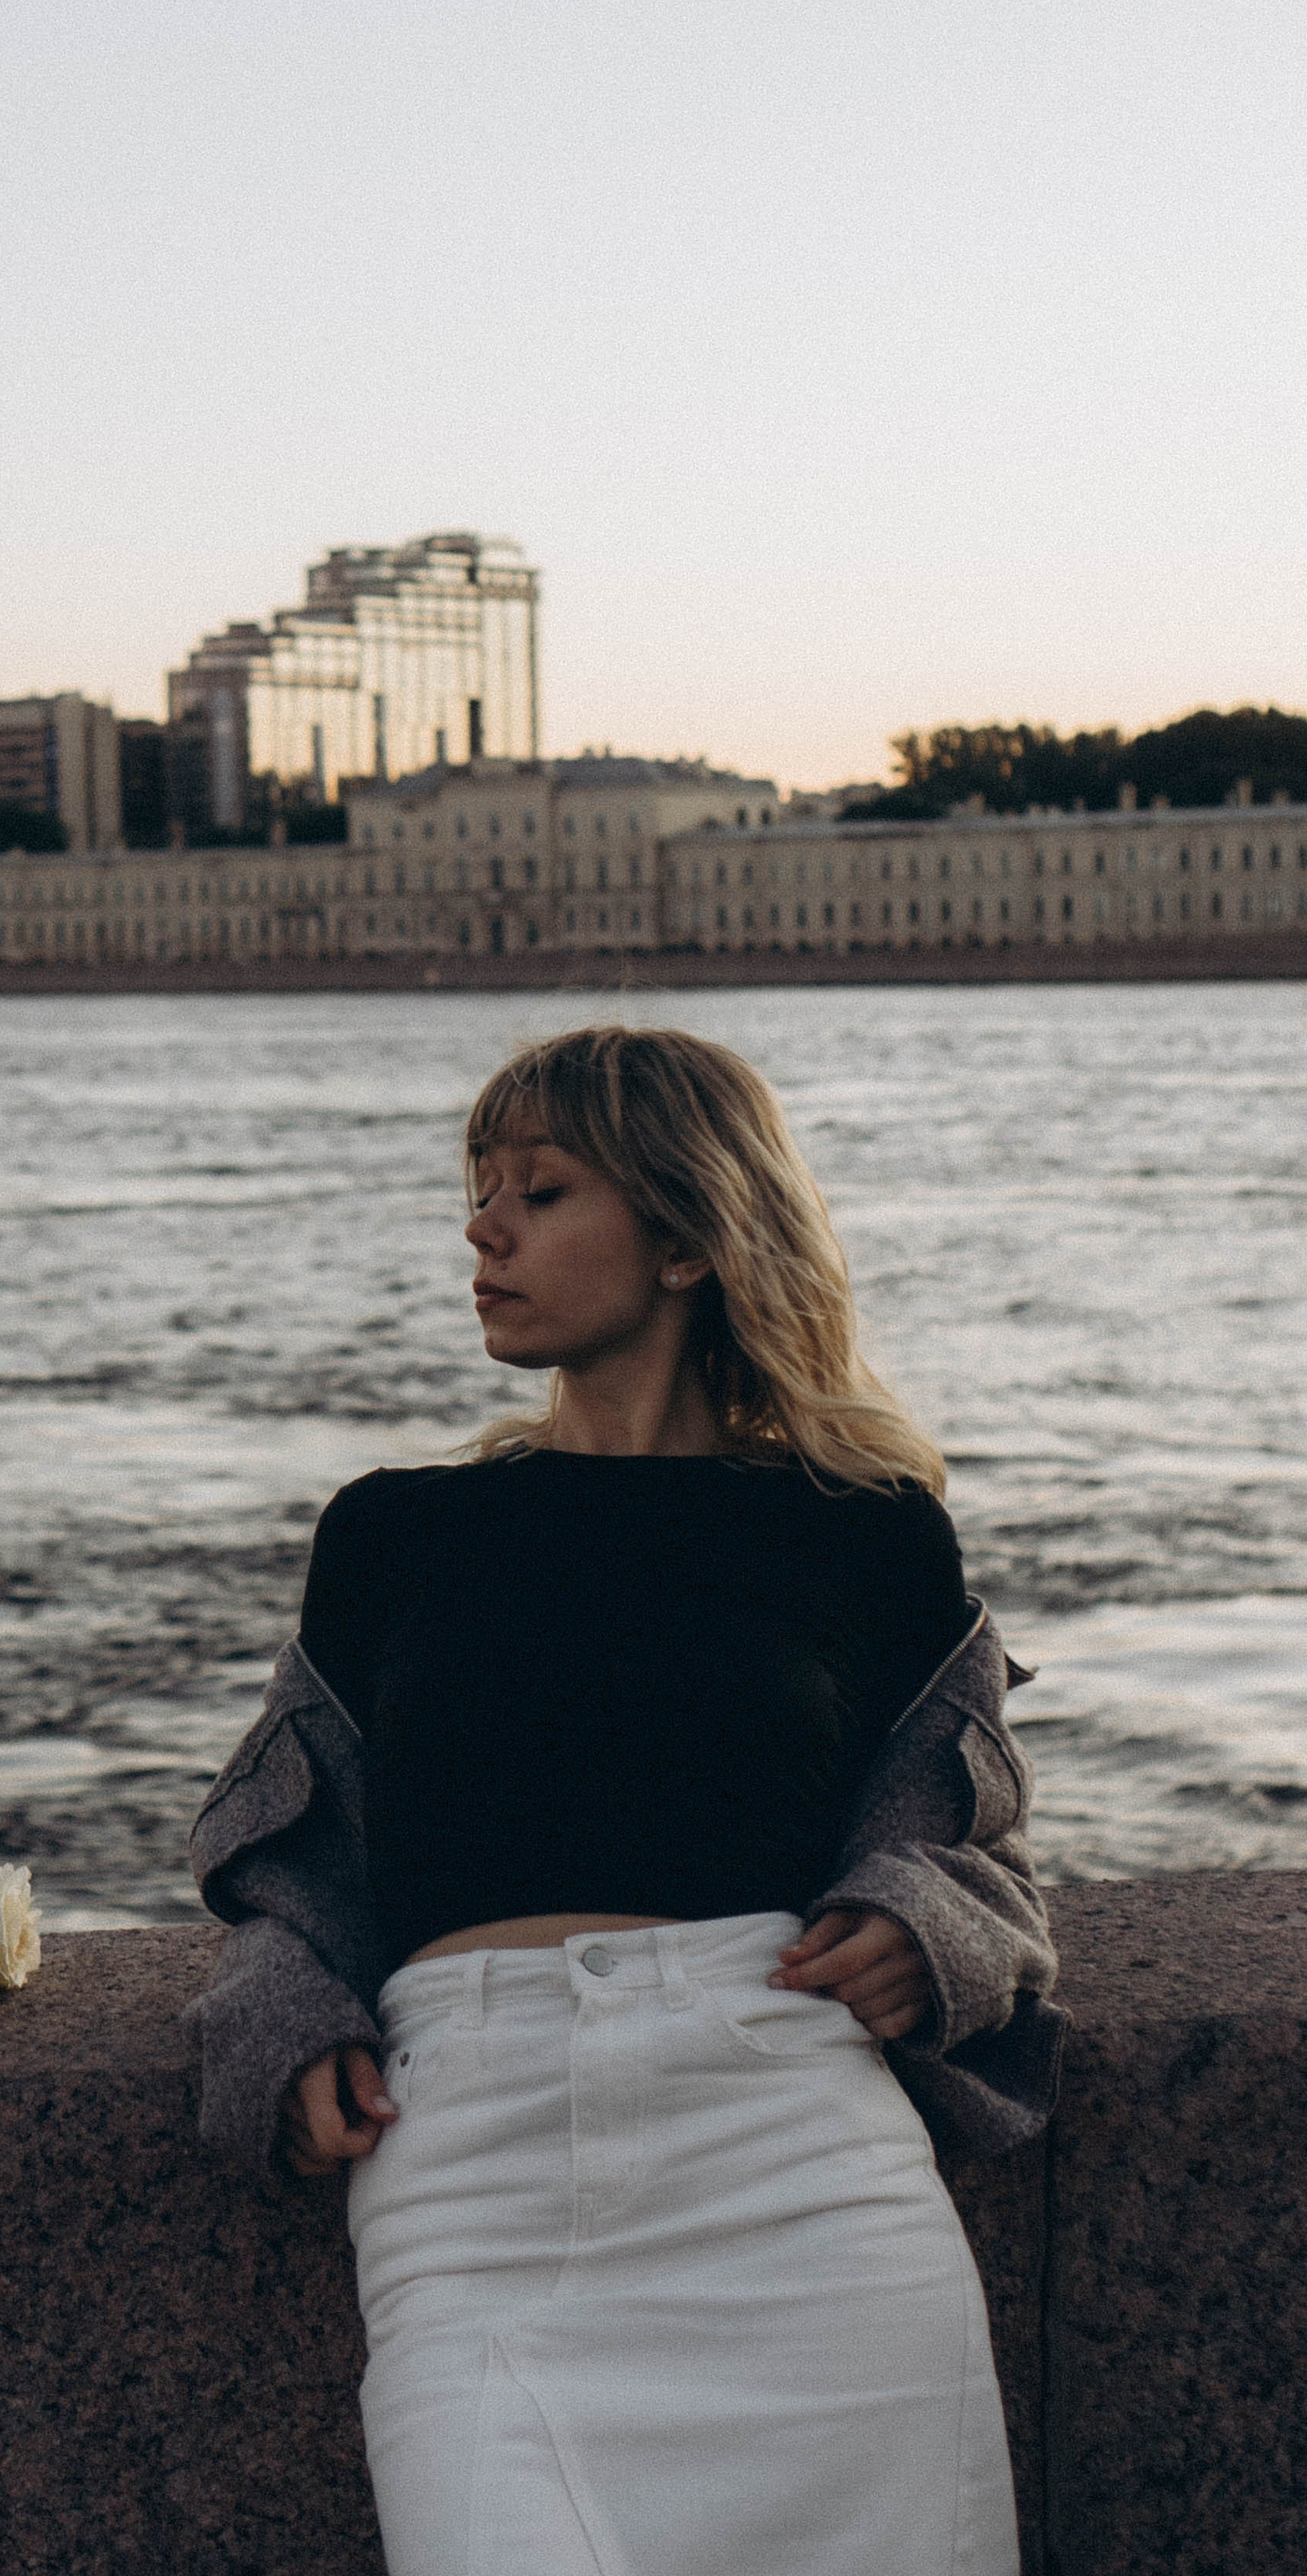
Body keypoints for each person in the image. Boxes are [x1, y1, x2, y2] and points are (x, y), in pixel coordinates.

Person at [186, 1024, 1063, 2576]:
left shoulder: (863, 1536)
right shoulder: (391, 1537)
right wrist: (283, 2013)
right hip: (469, 2175)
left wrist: (916, 1925)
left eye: (537, 1190)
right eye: (477, 1190)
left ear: (680, 1238)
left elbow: (969, 1851)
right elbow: (291, 1862)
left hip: (794, 2166)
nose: (481, 1227)